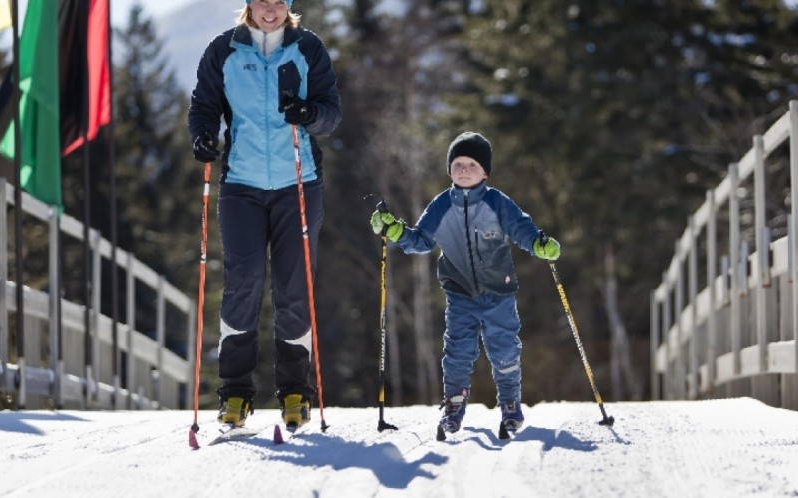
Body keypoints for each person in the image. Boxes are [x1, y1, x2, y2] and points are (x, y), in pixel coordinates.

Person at [187, 0, 341, 429]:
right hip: (242, 186)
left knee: (294, 287)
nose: (270, 9)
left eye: (279, 1)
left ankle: (295, 392)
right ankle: (235, 393)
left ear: (288, 6)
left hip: (299, 182)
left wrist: (310, 114)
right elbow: (204, 105)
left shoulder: (307, 48)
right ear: (248, 5)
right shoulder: (224, 50)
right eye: (262, 0)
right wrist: (202, 136)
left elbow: (331, 112)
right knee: (243, 283)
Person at [370, 131, 561, 435]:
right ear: (449, 170)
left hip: (499, 292)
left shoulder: (497, 202)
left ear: (485, 171)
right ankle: (454, 403)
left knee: (504, 350)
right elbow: (420, 240)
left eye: (472, 164)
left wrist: (538, 244)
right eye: (457, 163)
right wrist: (396, 232)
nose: (463, 169)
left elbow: (521, 227)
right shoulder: (441, 205)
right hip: (460, 295)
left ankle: (510, 403)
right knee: (457, 351)